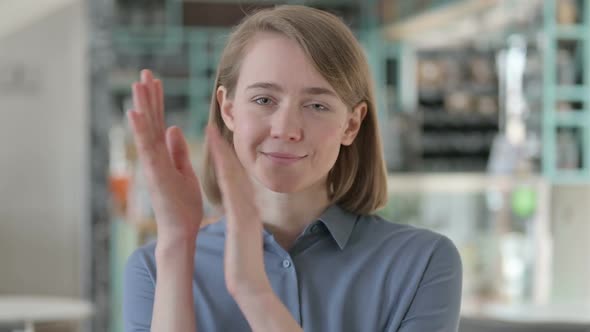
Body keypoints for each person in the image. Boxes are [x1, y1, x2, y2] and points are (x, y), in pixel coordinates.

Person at [123, 5, 462, 332]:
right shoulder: (155, 267)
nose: (286, 129)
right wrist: (178, 244)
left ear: (351, 125)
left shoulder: (422, 264)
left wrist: (254, 293)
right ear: (228, 110)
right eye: (263, 100)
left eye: (316, 105)